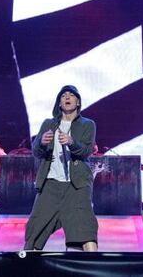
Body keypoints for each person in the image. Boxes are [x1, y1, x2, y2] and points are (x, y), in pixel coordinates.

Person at [23, 85, 98, 252]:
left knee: (85, 227)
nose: (67, 98)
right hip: (50, 183)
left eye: (71, 95)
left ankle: (94, 266)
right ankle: (27, 267)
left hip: (77, 185)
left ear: (78, 102)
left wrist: (72, 142)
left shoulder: (88, 124)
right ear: (59, 103)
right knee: (36, 226)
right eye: (63, 95)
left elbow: (86, 151)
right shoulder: (48, 124)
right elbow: (36, 151)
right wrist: (42, 142)